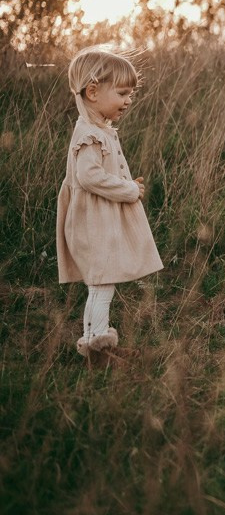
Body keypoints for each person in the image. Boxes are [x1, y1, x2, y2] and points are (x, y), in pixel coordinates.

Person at [57, 47, 162, 365]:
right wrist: (128, 189)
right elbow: (89, 176)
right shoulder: (90, 135)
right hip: (92, 225)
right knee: (101, 286)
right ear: (93, 92)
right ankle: (96, 350)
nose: (128, 101)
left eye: (130, 94)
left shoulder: (98, 129)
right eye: (122, 93)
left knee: (103, 286)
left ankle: (98, 343)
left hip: (98, 222)